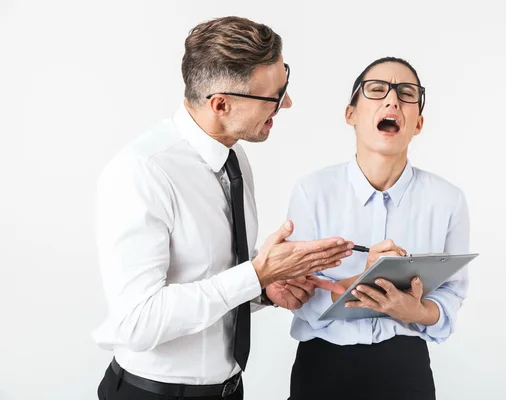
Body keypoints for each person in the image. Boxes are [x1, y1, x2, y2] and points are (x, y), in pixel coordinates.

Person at [92, 16, 353, 400]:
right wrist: (255, 273)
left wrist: (265, 286)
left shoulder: (234, 159)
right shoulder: (142, 172)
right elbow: (138, 322)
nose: (288, 103)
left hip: (228, 390)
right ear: (221, 104)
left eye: (285, 86)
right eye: (275, 96)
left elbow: (212, 277)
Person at [285, 57, 471, 400]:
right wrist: (362, 283)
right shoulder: (312, 191)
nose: (392, 100)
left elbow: (452, 293)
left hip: (406, 367)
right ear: (350, 114)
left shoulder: (448, 200)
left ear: (418, 123)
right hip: (324, 365)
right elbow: (296, 293)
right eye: (376, 90)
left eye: (407, 93)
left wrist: (417, 312)